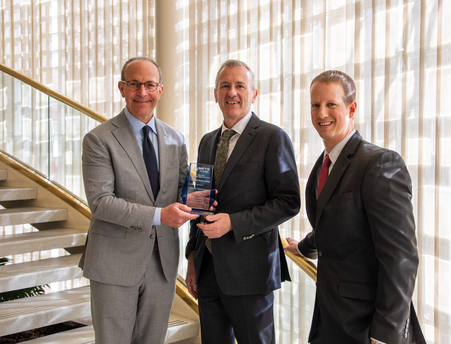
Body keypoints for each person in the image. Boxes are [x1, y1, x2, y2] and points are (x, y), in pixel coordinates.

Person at [284, 70, 426, 344]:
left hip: (367, 324)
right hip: (329, 317)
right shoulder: (322, 165)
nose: (321, 113)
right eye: (315, 105)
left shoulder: (380, 164)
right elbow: (337, 225)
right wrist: (302, 247)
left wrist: (385, 334)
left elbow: (401, 258)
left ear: (352, 108)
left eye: (331, 104)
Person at [79, 57, 199, 344]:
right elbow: (101, 202)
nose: (142, 92)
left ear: (160, 90)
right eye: (134, 84)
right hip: (113, 263)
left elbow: (184, 191)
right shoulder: (98, 139)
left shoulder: (175, 140)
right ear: (122, 88)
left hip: (162, 263)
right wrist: (160, 216)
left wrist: (200, 198)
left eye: (149, 85)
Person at [185, 60, 301, 344]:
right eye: (225, 86)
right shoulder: (206, 142)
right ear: (215, 94)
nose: (232, 93)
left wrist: (233, 223)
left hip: (251, 274)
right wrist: (191, 258)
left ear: (254, 93)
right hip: (208, 271)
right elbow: (197, 204)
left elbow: (289, 201)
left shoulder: (273, 137)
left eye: (240, 86)